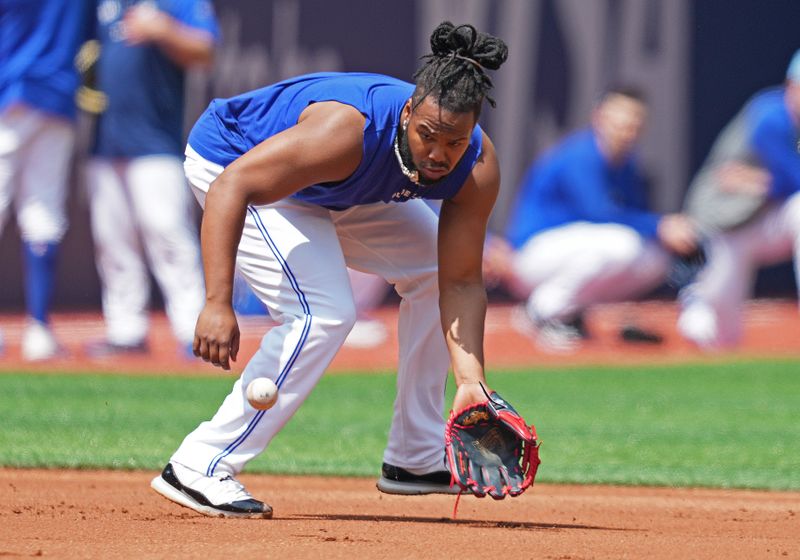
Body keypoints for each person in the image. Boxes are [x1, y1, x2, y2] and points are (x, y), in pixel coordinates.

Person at [150, 21, 509, 519]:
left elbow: (462, 279)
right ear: (408, 113)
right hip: (232, 165)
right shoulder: (347, 131)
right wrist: (216, 302)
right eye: (428, 134)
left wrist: (471, 379)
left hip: (332, 188)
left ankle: (415, 455)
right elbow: (232, 186)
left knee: (432, 267)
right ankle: (201, 464)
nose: (438, 154)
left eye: (455, 141)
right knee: (324, 312)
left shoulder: (476, 164)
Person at [498, 86, 698, 350]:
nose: (626, 129)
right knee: (624, 245)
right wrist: (660, 225)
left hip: (571, 253)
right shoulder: (580, 155)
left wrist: (660, 230)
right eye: (620, 120)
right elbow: (600, 213)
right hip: (530, 256)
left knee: (656, 258)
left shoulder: (626, 163)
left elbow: (628, 217)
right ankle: (541, 311)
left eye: (634, 122)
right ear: (599, 117)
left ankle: (571, 313)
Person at [82, 0, 219, 357]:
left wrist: (164, 30)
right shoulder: (101, 4)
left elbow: (205, 49)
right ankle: (126, 331)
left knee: (169, 236)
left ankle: (194, 332)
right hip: (104, 140)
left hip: (155, 141)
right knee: (112, 242)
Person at [677, 50, 800, 349]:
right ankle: (697, 296)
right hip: (725, 225)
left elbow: (786, 184)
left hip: (768, 217)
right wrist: (771, 183)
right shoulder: (769, 113)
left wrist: (763, 183)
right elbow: (792, 177)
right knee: (718, 337)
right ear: (790, 85)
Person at [0, 0, 94, 361]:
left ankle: (39, 330)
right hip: (56, 95)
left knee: (37, 210)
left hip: (10, 90)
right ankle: (38, 330)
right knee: (43, 211)